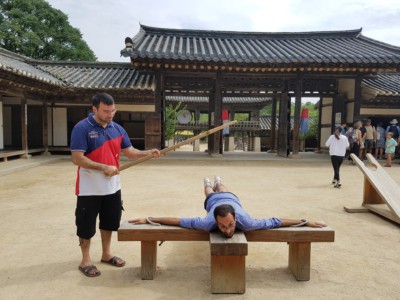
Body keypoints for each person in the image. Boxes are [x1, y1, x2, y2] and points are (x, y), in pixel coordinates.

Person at [71, 92, 161, 277]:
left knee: (109, 222)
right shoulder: (82, 128)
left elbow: (130, 152)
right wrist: (103, 167)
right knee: (86, 224)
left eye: (113, 110)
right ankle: (85, 259)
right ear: (94, 109)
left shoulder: (117, 129)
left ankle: (106, 254)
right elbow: (77, 158)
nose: (110, 114)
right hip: (89, 187)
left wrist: (147, 153)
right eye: (105, 111)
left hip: (112, 186)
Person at [129, 177, 327, 239]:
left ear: (235, 219)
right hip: (215, 201)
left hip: (231, 199)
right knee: (209, 192)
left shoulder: (246, 222)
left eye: (230, 225)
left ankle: (217, 181)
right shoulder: (208, 222)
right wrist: (149, 219)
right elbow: (179, 220)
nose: (228, 230)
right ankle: (208, 182)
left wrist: (305, 221)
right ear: (215, 221)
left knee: (222, 188)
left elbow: (275, 222)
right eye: (223, 227)